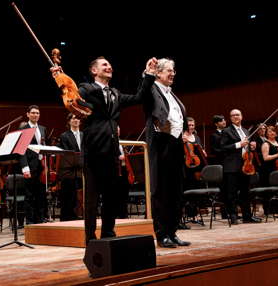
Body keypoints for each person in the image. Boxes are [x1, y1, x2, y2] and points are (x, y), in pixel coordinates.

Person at [52, 56, 156, 245]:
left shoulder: (115, 93)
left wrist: (148, 74)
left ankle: (109, 233)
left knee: (111, 197)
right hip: (93, 152)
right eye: (104, 65)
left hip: (111, 153)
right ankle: (90, 238)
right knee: (91, 198)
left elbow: (139, 97)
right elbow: (73, 96)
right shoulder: (86, 89)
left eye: (109, 64)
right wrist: (61, 79)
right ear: (94, 71)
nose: (109, 66)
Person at [143, 58, 190, 248]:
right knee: (161, 191)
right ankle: (162, 234)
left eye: (174, 70)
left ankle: (172, 231)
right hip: (161, 143)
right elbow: (144, 92)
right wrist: (147, 74)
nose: (172, 73)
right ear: (158, 73)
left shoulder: (171, 93)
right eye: (168, 70)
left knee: (176, 190)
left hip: (176, 143)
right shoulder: (151, 89)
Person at [220, 109, 262, 224]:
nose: (235, 117)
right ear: (230, 118)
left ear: (242, 116)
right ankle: (233, 216)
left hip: (246, 165)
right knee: (232, 193)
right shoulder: (226, 131)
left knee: (245, 192)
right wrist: (239, 144)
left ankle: (247, 216)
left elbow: (247, 148)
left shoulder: (246, 131)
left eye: (237, 114)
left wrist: (252, 147)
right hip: (232, 166)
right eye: (233, 115)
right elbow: (223, 148)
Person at [19, 105, 47, 225]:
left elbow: (44, 147)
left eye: (38, 113)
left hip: (40, 167)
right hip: (29, 167)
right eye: (33, 113)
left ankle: (40, 220)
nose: (36, 115)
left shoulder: (42, 128)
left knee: (41, 195)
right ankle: (30, 221)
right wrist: (25, 168)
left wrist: (45, 164)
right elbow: (21, 150)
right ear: (28, 114)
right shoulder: (24, 129)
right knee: (29, 196)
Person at [57, 113, 83, 221]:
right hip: (69, 171)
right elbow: (67, 153)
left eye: (78, 118)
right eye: (73, 118)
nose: (76, 120)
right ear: (69, 121)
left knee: (79, 196)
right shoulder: (64, 136)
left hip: (81, 170)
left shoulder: (83, 134)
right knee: (69, 196)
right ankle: (67, 218)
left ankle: (78, 216)